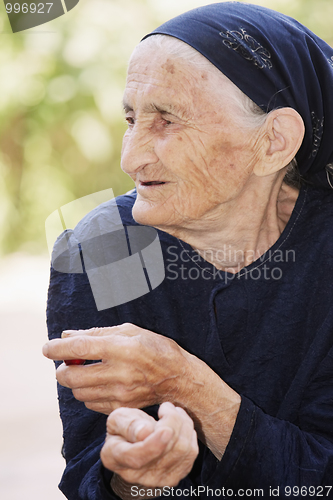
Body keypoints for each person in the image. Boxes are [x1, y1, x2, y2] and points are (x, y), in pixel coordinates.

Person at [43, 3, 333, 499]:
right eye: (131, 118)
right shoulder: (105, 248)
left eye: (168, 121)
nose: (129, 156)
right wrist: (134, 478)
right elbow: (92, 471)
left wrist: (186, 386)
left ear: (273, 142)